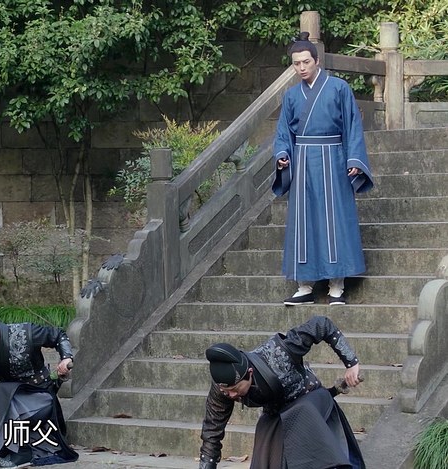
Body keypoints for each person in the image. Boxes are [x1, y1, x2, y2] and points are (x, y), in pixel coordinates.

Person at [273, 31, 375, 306]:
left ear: (317, 60)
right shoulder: (291, 96)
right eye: (297, 63)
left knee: (334, 220)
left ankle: (336, 286)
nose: (302, 67)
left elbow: (352, 126)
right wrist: (282, 155)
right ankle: (304, 286)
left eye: (306, 61)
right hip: (302, 160)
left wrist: (354, 159)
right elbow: (283, 133)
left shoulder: (338, 88)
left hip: (333, 159)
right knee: (303, 221)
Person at [197, 315, 365, 469]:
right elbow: (212, 429)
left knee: (301, 415)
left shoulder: (279, 353)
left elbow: (321, 324)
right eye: (226, 392)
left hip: (310, 401)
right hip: (277, 413)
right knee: (264, 440)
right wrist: (207, 465)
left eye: (235, 389)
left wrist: (351, 362)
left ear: (249, 373)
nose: (232, 396)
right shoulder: (221, 388)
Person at [0, 299, 79, 469]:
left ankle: (22, 452)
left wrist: (66, 358)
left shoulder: (24, 333)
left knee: (0, 395)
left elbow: (58, 335)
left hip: (40, 397)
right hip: (8, 399)